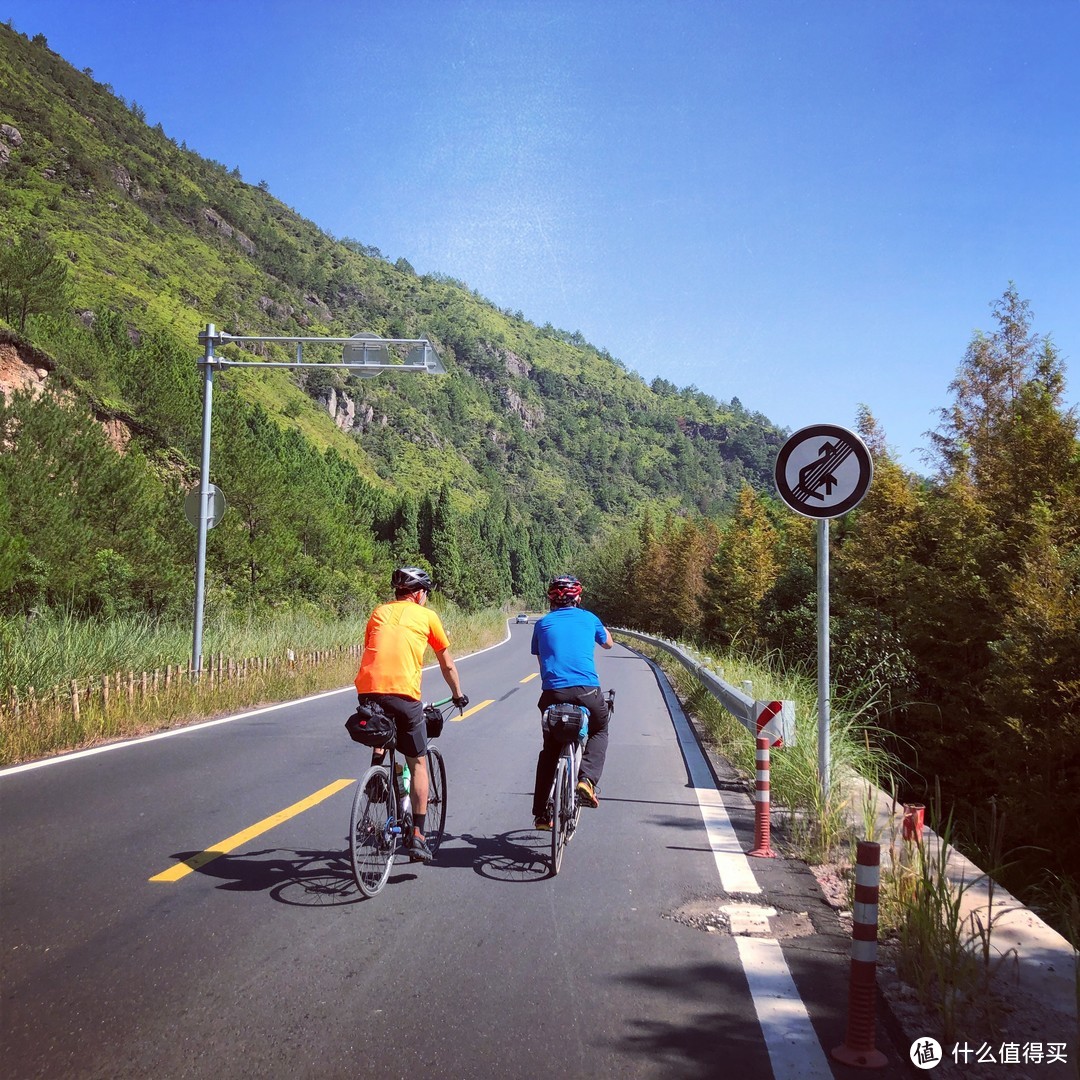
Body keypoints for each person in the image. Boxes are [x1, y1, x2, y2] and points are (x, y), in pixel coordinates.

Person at [354, 566, 468, 863]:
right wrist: (457, 694)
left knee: (381, 726)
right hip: (404, 695)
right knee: (417, 763)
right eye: (426, 594)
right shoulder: (427, 617)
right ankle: (417, 834)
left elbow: (374, 648)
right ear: (419, 594)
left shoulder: (378, 612)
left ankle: (377, 770)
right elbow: (447, 664)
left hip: (368, 693)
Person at [530, 574, 613, 830]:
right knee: (600, 728)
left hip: (553, 693)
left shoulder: (542, 624)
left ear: (551, 599)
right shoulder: (589, 618)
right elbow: (609, 643)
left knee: (550, 750)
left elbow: (540, 659)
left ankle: (542, 814)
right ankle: (586, 780)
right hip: (587, 692)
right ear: (578, 597)